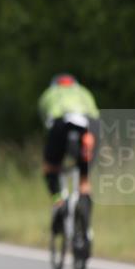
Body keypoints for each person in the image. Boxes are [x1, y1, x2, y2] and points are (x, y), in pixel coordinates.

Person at [37, 73, 100, 237]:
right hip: (89, 129)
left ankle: (58, 201)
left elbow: (46, 121)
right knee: (84, 180)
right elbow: (96, 116)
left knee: (50, 167)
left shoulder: (49, 93)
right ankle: (86, 222)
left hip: (61, 124)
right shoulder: (84, 92)